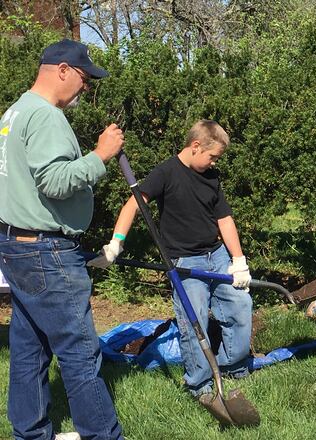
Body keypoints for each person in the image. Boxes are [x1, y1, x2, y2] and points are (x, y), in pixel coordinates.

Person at [0, 39, 125, 440]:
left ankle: (30, 433)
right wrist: (101, 155)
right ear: (63, 70)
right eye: (85, 79)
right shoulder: (46, 117)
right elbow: (54, 182)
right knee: (79, 352)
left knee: (29, 348)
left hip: (14, 246)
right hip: (46, 251)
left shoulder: (13, 114)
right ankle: (102, 435)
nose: (85, 88)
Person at [88, 120, 254, 399]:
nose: (214, 163)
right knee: (194, 322)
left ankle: (232, 367)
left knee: (240, 306)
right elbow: (134, 205)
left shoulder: (212, 177)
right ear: (195, 145)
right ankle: (199, 385)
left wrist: (238, 260)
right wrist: (115, 244)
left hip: (218, 255)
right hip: (185, 264)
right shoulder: (166, 173)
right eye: (212, 156)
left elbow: (224, 219)